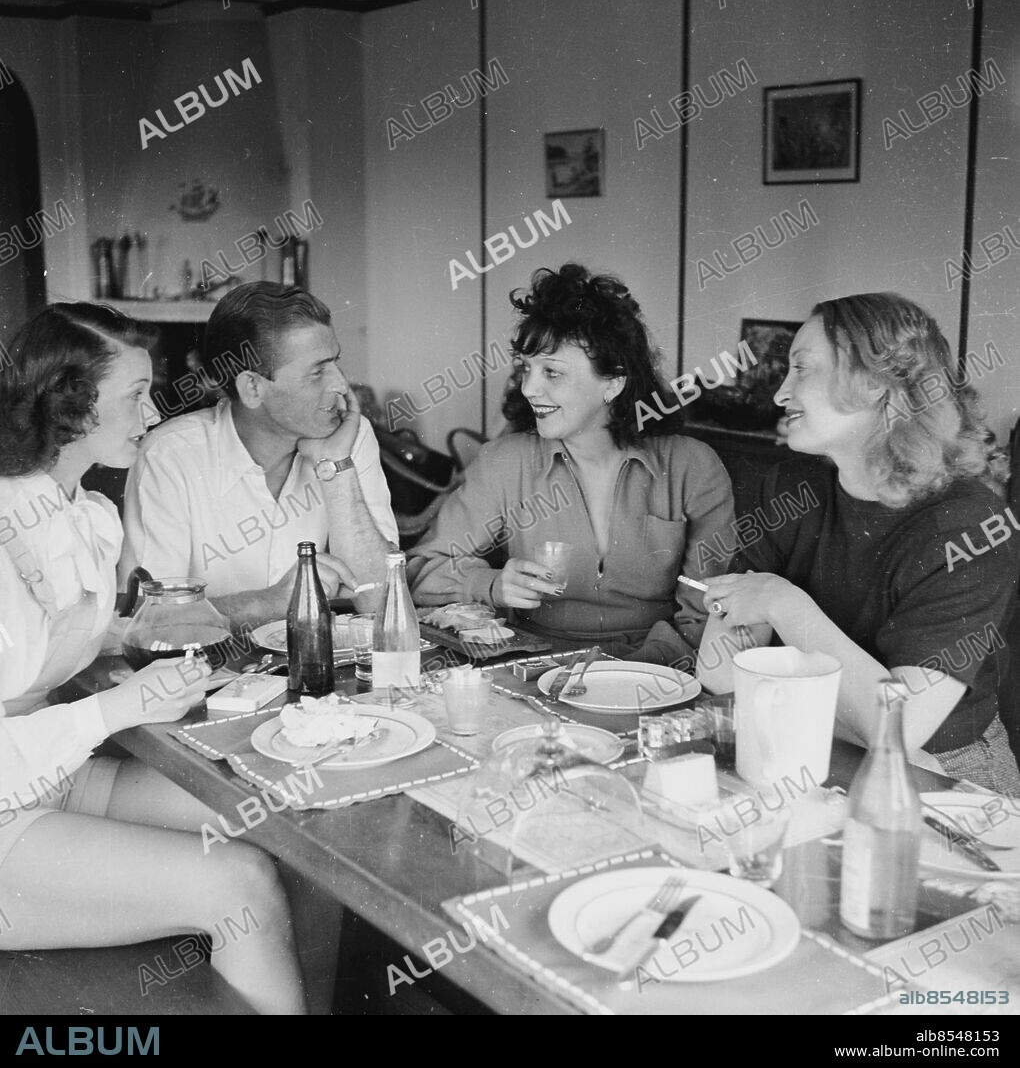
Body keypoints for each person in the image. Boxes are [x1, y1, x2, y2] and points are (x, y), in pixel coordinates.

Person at [0, 302, 306, 1013]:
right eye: (135, 395)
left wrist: (139, 642)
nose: (151, 412)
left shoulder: (77, 508)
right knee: (242, 881)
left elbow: (59, 636)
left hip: (49, 773)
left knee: (273, 814)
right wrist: (122, 704)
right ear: (68, 407)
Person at [696, 292, 1020, 791]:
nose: (781, 394)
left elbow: (901, 728)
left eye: (802, 369)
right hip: (806, 737)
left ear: (874, 384)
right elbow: (718, 670)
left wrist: (783, 605)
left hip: (945, 767)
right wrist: (854, 708)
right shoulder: (790, 488)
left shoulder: (969, 523)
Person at [409, 264, 735, 661]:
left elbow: (708, 607)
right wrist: (489, 584)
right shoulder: (506, 462)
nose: (529, 387)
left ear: (613, 383)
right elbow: (420, 569)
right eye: (526, 368)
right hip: (531, 665)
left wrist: (635, 676)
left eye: (552, 372)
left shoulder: (692, 467)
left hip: (657, 667)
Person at [120, 282, 399, 628]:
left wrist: (337, 467)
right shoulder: (168, 457)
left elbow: (383, 603)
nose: (341, 385)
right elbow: (150, 622)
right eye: (317, 372)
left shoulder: (349, 438)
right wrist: (272, 602)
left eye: (335, 364)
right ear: (252, 387)